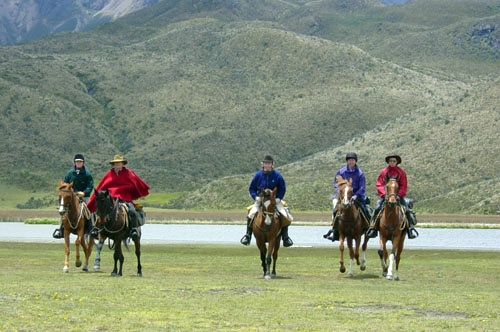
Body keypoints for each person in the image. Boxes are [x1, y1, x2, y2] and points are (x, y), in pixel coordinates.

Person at [87, 154, 150, 241]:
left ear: (122, 164)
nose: (117, 165)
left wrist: (121, 189)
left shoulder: (129, 173)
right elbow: (102, 186)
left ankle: (134, 229)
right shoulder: (109, 174)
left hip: (125, 198)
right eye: (116, 163)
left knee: (132, 211)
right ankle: (95, 229)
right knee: (100, 211)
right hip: (111, 199)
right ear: (113, 164)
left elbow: (133, 185)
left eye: (119, 163)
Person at [240, 155, 294, 247]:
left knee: (284, 214)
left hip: (274, 200)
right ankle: (248, 235)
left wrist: (278, 198)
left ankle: (285, 237)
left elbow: (282, 189)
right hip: (260, 200)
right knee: (251, 214)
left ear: (272, 165)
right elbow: (251, 188)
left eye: (269, 163)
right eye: (266, 163)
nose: (267, 165)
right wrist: (255, 197)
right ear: (263, 164)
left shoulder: (277, 176)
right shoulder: (258, 175)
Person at [365, 153, 419, 239]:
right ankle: (373, 228)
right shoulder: (383, 172)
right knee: (377, 208)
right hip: (386, 197)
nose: (392, 162)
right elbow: (379, 184)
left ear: (397, 162)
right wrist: (383, 194)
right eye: (390, 161)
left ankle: (410, 229)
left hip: (398, 197)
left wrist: (399, 195)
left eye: (394, 161)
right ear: (388, 162)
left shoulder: (401, 172)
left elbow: (403, 185)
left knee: (407, 210)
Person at [323, 152, 371, 242]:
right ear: (347, 161)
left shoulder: (360, 173)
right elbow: (336, 183)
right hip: (343, 196)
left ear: (355, 161)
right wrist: (340, 192)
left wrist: (355, 196)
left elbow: (362, 187)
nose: (351, 162)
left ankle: (368, 228)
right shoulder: (341, 172)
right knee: (335, 210)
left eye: (352, 160)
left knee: (365, 210)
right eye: (349, 160)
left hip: (357, 196)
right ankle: (334, 230)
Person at [53, 154, 94, 239]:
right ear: (74, 163)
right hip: (71, 196)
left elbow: (90, 186)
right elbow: (65, 185)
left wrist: (84, 192)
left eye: (80, 162)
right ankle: (61, 229)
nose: (79, 163)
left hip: (84, 196)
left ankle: (92, 228)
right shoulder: (69, 173)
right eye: (77, 162)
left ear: (83, 163)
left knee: (90, 210)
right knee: (63, 209)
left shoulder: (87, 174)